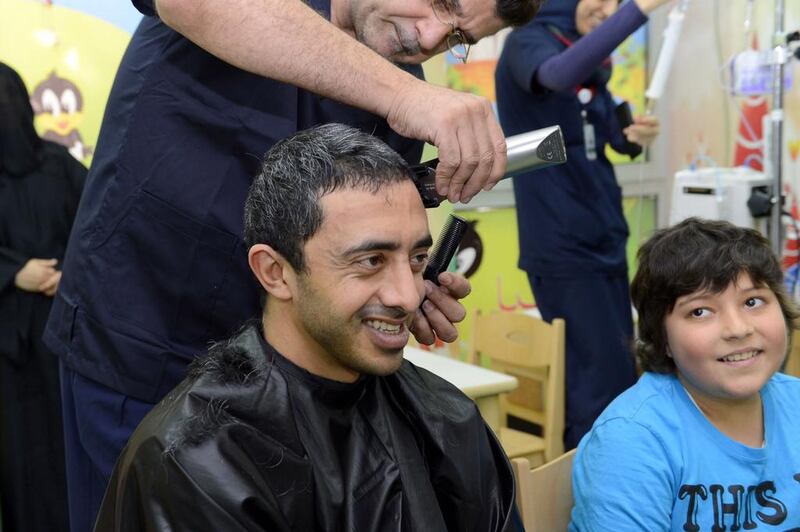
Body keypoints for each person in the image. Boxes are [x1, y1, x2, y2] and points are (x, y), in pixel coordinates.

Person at [42, 0, 544, 529]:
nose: (430, 35)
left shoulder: (396, 96)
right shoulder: (400, 93)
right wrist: (407, 97)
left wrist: (389, 292)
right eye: (443, 2)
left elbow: (332, 258)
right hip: (141, 350)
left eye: (458, 36)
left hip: (278, 397)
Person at [94, 123, 518, 531]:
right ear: (275, 272)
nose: (407, 296)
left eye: (416, 260)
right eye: (371, 261)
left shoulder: (446, 419)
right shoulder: (199, 463)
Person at [494, 0, 669, 448]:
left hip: (604, 239)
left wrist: (632, 136)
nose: (608, 9)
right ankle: (595, 502)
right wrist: (637, 12)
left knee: (619, 375)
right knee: (597, 392)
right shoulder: (527, 44)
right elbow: (556, 76)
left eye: (618, 2)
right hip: (563, 247)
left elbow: (600, 136)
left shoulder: (589, 67)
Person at [570, 218, 800, 531]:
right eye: (700, 311)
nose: (738, 329)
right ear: (662, 338)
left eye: (752, 301)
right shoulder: (632, 442)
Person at [0, 62, 87, 532]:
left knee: (68, 442)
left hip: (65, 333)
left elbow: (99, 223)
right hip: (9, 350)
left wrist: (67, 270)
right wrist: (16, 272)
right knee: (22, 455)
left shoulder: (58, 163)